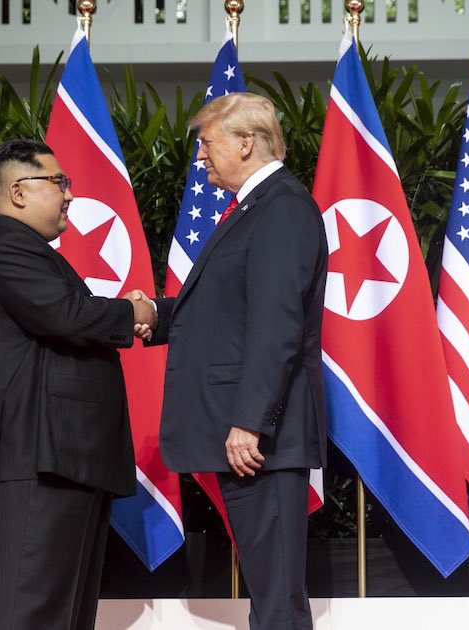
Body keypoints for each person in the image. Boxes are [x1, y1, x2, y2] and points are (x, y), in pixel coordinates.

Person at [138, 92, 328, 630]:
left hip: (260, 439)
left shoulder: (282, 208)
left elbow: (276, 326)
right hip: (250, 434)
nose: (200, 156)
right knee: (271, 592)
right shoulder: (255, 208)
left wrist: (249, 421)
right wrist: (155, 312)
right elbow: (228, 309)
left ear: (246, 143)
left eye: (207, 143)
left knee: (277, 598)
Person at [0, 138, 156, 630]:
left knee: (64, 617)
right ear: (20, 192)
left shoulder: (30, 251)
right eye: (59, 182)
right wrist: (132, 312)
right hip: (32, 459)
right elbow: (69, 316)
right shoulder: (7, 246)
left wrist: (155, 314)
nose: (69, 194)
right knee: (32, 615)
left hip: (62, 459)